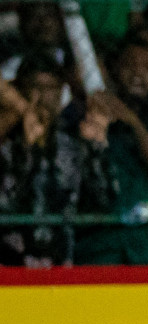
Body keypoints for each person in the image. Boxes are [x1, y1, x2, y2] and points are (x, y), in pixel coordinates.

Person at [75, 39, 148, 265]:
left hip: (147, 247)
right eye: (130, 65)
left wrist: (133, 122)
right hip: (98, 246)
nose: (138, 74)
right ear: (115, 69)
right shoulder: (86, 115)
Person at [0, 56, 115, 266]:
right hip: (10, 262)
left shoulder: (73, 143)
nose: (42, 96)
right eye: (34, 87)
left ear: (61, 92)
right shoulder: (6, 143)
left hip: (61, 261)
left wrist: (97, 148)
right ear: (21, 90)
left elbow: (104, 202)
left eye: (50, 88)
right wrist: (27, 151)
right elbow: (6, 206)